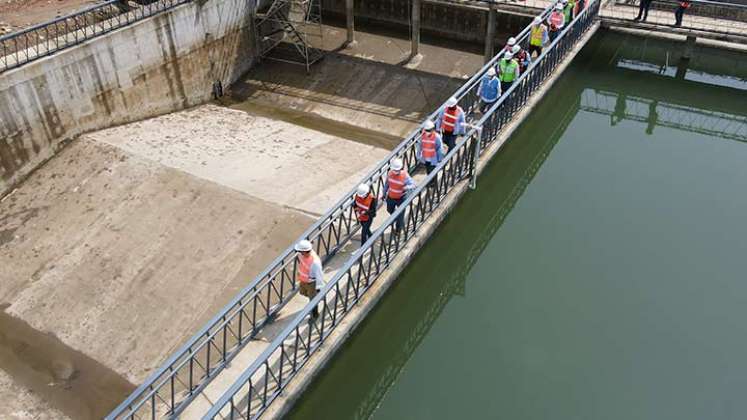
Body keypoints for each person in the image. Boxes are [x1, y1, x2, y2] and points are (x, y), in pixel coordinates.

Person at [383, 158, 414, 232]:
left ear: (401, 168)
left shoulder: (405, 175)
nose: (395, 171)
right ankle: (397, 219)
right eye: (394, 170)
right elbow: (387, 184)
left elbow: (412, 184)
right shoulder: (390, 173)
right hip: (391, 196)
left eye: (397, 170)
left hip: (401, 197)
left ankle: (398, 230)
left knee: (400, 214)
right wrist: (384, 193)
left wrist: (405, 187)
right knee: (389, 210)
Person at [295, 239, 323, 319]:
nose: (299, 253)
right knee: (303, 292)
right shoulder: (302, 255)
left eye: (300, 251)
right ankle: (316, 297)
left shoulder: (315, 262)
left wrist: (318, 287)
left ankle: (315, 315)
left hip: (311, 282)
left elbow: (319, 275)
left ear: (305, 251)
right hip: (303, 280)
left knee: (312, 300)